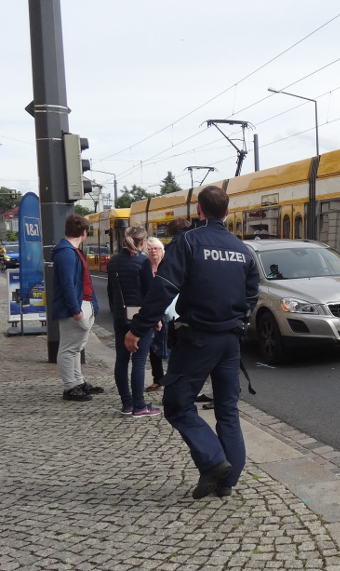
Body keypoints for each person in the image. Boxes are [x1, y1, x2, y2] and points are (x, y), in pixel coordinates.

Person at [125, 185, 259, 500]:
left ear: (198, 211)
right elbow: (251, 294)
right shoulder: (242, 249)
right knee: (227, 409)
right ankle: (226, 481)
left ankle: (214, 462)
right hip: (230, 339)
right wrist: (240, 318)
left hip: (199, 337)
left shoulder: (188, 242)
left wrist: (139, 327)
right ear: (228, 212)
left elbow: (164, 288)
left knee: (176, 403)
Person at [108, 225, 159, 417]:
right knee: (138, 361)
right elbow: (150, 293)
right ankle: (140, 405)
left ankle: (127, 404)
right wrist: (154, 318)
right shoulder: (142, 262)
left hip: (120, 316)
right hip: (139, 317)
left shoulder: (113, 262)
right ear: (143, 242)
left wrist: (116, 313)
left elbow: (110, 292)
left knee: (121, 360)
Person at [51, 214, 103, 402]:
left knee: (76, 347)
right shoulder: (66, 252)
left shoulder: (70, 251)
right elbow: (67, 285)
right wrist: (76, 310)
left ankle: (77, 382)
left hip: (83, 304)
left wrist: (92, 306)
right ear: (84, 232)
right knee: (68, 348)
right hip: (76, 307)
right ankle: (70, 386)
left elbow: (79, 282)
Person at [145, 237, 167, 392]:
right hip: (152, 312)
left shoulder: (168, 267)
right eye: (150, 248)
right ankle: (158, 379)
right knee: (153, 346)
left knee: (174, 345)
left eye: (156, 248)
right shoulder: (144, 269)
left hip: (170, 312)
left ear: (162, 251)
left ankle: (175, 379)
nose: (153, 251)